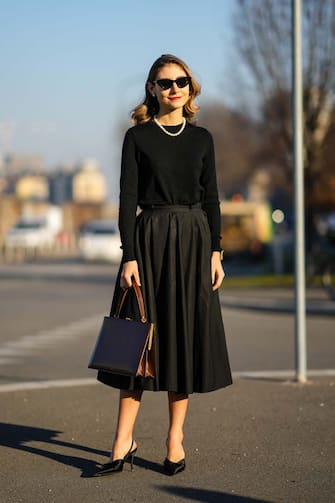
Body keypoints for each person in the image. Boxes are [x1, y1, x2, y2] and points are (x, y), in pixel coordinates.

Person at [95, 54, 232, 477]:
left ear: (190, 88)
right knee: (134, 341)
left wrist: (216, 250)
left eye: (181, 81)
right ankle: (123, 440)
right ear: (151, 89)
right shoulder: (136, 138)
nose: (173, 87)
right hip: (149, 240)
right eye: (164, 81)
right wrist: (129, 255)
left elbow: (211, 198)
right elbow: (127, 200)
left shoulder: (202, 138)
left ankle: (175, 439)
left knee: (182, 341)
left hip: (193, 241)